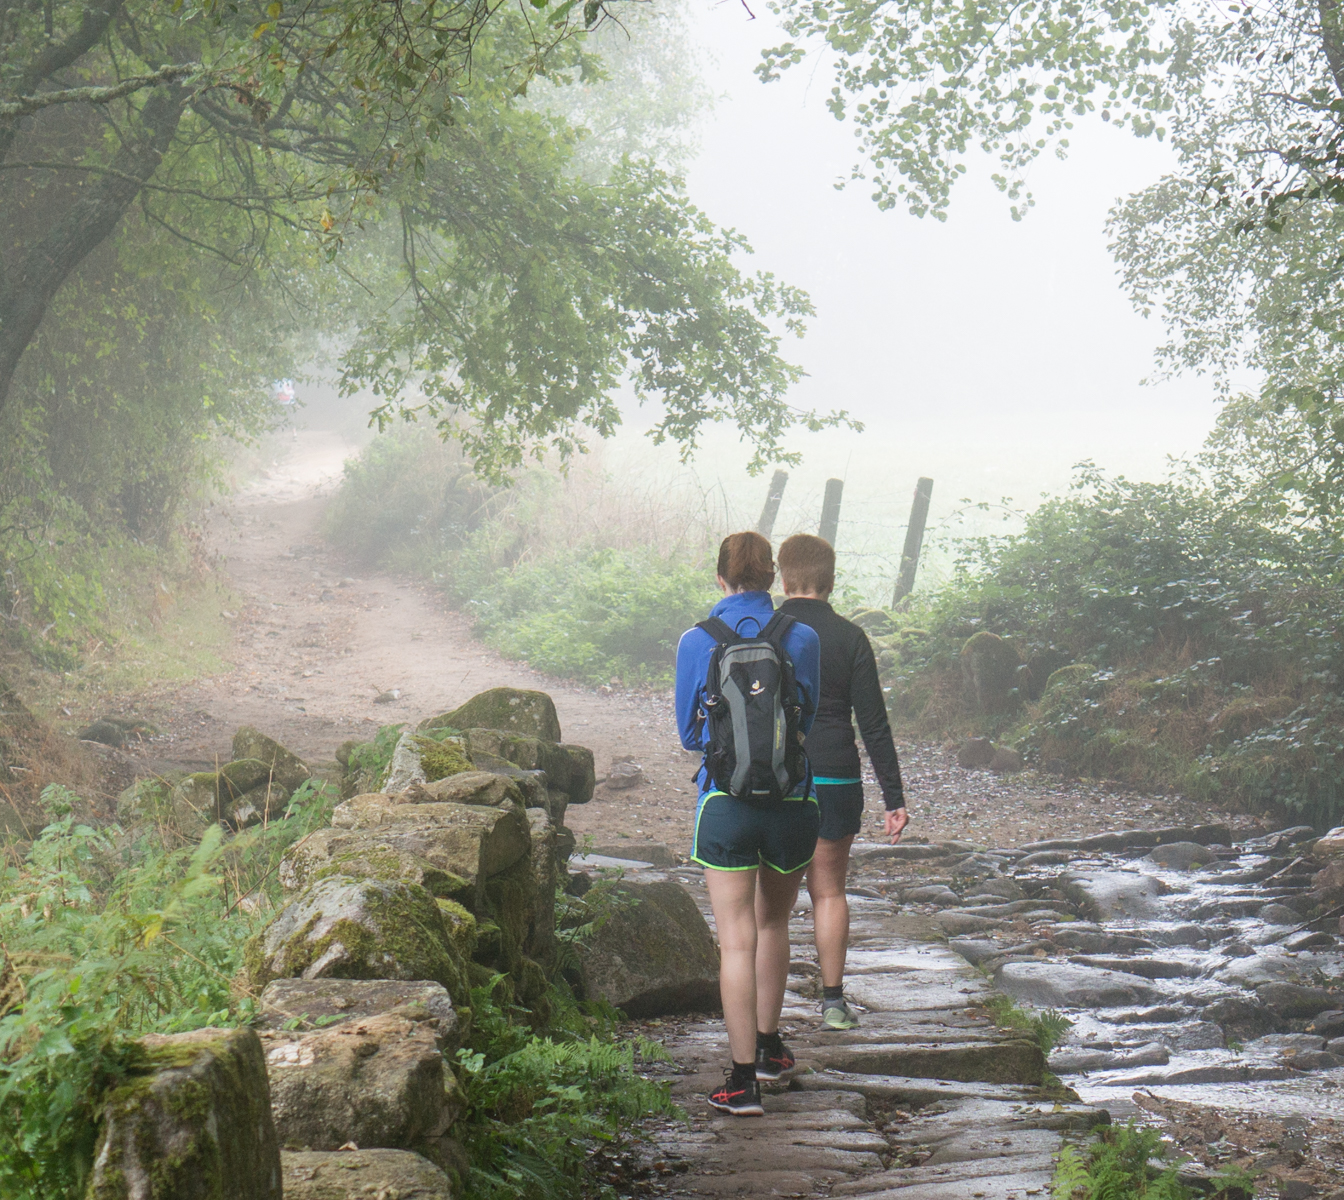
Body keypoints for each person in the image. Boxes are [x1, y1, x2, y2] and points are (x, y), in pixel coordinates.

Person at [675, 531, 821, 1116]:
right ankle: (768, 1046)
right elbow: (805, 712)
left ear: (721, 579)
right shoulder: (802, 635)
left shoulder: (696, 639)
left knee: (735, 938)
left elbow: (689, 735)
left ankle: (742, 1083)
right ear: (772, 578)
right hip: (793, 803)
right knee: (775, 924)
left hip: (726, 807)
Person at [778, 533, 909, 1031]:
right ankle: (833, 1002)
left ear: (783, 578)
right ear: (831, 581)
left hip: (779, 778)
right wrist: (893, 797)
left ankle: (761, 1011)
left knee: (775, 902)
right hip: (835, 775)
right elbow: (873, 724)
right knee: (829, 891)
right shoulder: (852, 637)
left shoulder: (770, 632)